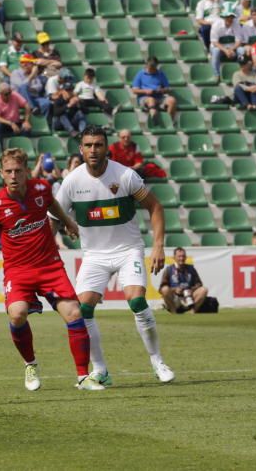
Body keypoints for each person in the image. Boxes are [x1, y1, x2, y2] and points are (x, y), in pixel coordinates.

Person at [54, 125, 174, 389]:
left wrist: (158, 246)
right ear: (80, 149)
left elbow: (155, 206)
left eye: (98, 144)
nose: (93, 150)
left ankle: (157, 362)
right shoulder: (72, 182)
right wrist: (52, 246)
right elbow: (53, 218)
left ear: (106, 147)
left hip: (127, 249)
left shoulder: (126, 175)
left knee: (137, 302)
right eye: (88, 145)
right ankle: (101, 371)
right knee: (83, 309)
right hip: (94, 255)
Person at [0, 148, 97, 391]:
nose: (13, 175)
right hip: (18, 272)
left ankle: (83, 377)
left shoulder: (41, 188)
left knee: (74, 313)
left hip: (49, 265)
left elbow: (53, 205)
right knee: (17, 314)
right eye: (8, 171)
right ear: (1, 173)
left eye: (18, 171)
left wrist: (69, 222)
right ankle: (30, 364)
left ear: (27, 171)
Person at [159, 248, 209, 314]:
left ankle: (192, 311)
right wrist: (174, 290)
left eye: (183, 256)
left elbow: (199, 284)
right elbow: (161, 288)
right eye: (179, 256)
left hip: (189, 297)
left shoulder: (191, 268)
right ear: (174, 257)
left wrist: (191, 290)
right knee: (165, 290)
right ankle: (174, 312)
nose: (181, 258)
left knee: (204, 290)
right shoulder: (169, 269)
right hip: (175, 298)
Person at [132, 57, 178, 124]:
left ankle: (169, 121)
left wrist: (162, 90)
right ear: (147, 65)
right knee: (151, 100)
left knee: (172, 100)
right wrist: (145, 91)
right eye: (151, 67)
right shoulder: (140, 74)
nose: (153, 69)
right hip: (145, 97)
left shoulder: (161, 74)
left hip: (159, 97)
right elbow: (134, 90)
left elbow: (167, 88)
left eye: (154, 67)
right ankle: (154, 118)